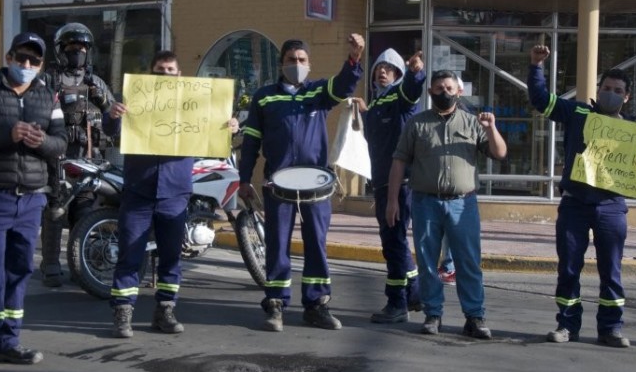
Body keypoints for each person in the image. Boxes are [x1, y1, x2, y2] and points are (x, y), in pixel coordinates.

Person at [527, 45, 636, 348]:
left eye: (617, 90)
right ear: (598, 89)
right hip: (574, 204)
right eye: (606, 87)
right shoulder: (578, 112)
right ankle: (566, 325)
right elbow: (540, 100)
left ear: (626, 97)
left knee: (612, 270)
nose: (610, 92)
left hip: (611, 207)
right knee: (569, 267)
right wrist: (536, 67)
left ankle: (611, 329)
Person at [103, 50, 240, 338]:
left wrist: (229, 128)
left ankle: (165, 311)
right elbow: (111, 129)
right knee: (130, 254)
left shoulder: (195, 105)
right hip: (139, 190)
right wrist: (113, 115)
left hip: (175, 193)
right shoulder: (135, 100)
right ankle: (123, 313)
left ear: (179, 75)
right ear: (151, 74)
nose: (165, 75)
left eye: (170, 70)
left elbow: (213, 136)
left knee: (171, 257)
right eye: (159, 70)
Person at [238, 34, 364, 332]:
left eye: (302, 60)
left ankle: (316, 305)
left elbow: (343, 85)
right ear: (282, 63)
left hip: (316, 184)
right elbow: (251, 142)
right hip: (277, 184)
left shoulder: (318, 92)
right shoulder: (265, 96)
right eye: (292, 60)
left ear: (309, 64)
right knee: (277, 244)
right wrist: (244, 178)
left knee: (316, 245)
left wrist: (354, 60)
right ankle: (276, 304)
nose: (297, 64)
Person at [0, 33, 67, 371]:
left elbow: (61, 143)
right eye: (21, 58)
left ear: (42, 65)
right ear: (8, 56)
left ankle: (8, 342)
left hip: (31, 199)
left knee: (19, 271)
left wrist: (43, 141)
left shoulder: (48, 95)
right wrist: (8, 135)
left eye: (33, 61)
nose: (26, 65)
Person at [386, 69, 507, 339]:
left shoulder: (473, 123)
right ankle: (433, 314)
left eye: (449, 88)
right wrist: (392, 200)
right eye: (439, 88)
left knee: (468, 262)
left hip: (463, 205)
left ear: (459, 91)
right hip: (425, 203)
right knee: (428, 262)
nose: (444, 93)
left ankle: (474, 317)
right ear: (430, 92)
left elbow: (499, 153)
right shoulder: (417, 124)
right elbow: (399, 161)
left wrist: (491, 128)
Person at [39, 22, 117, 288]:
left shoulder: (96, 82)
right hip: (58, 159)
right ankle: (50, 263)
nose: (77, 52)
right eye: (72, 47)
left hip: (88, 159)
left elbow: (114, 120)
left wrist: (104, 102)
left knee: (83, 212)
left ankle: (79, 263)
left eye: (82, 47)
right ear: (61, 50)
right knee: (55, 210)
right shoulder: (49, 80)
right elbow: (37, 113)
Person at [351, 48, 426, 324]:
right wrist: (365, 112)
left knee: (393, 241)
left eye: (389, 68)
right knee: (393, 240)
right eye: (378, 68)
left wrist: (417, 73)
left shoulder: (398, 97)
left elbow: (411, 92)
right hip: (382, 181)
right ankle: (413, 294)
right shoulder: (379, 102)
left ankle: (400, 300)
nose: (382, 71)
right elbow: (373, 138)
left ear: (398, 74)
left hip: (400, 182)